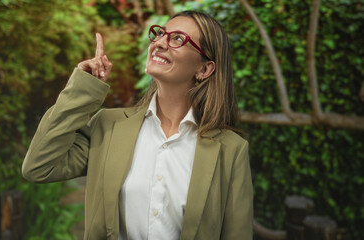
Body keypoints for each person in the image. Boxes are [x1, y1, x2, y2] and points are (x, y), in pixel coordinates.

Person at [22, 10, 253, 240]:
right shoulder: (108, 126)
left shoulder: (231, 150)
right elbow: (40, 166)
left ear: (204, 69)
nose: (160, 42)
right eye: (161, 34)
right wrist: (84, 88)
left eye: (178, 39)